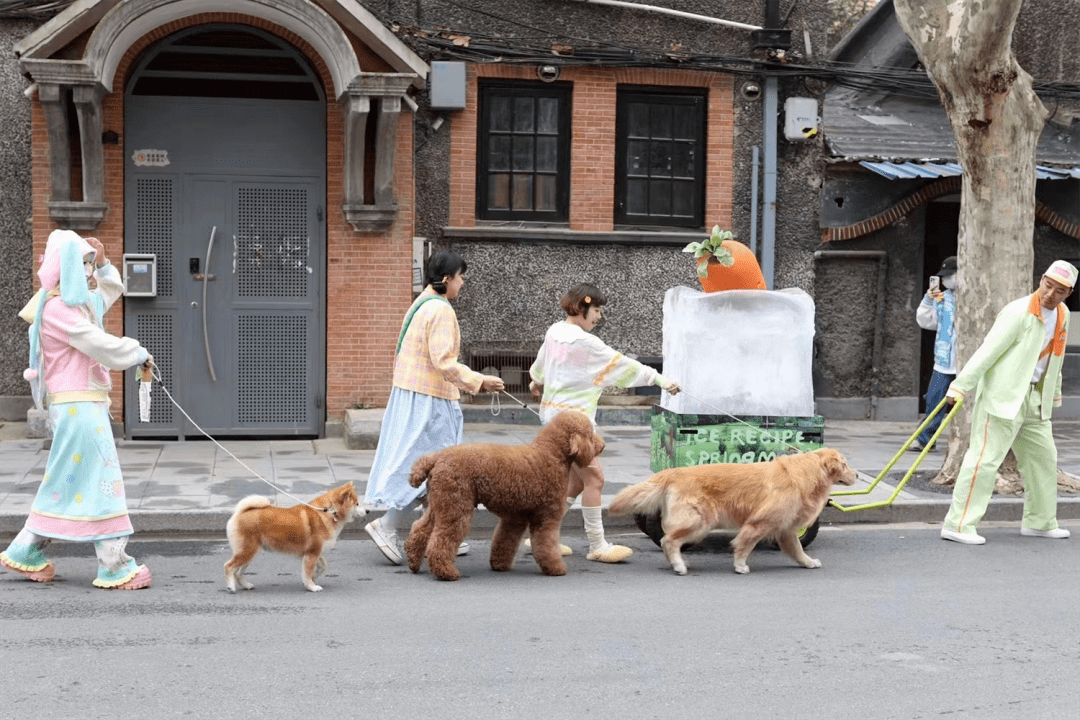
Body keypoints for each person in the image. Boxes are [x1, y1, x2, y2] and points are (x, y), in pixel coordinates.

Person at [0, 230, 154, 589]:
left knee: (65, 482)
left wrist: (102, 263)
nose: (88, 272)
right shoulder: (57, 309)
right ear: (66, 266)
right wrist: (137, 352)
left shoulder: (76, 304)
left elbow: (110, 290)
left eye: (89, 264)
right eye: (83, 264)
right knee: (103, 480)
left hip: (81, 406)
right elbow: (96, 343)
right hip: (78, 406)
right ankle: (114, 564)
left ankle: (25, 550)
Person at [363, 251, 505, 564]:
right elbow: (444, 361)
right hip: (430, 400)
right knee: (435, 466)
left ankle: (442, 532)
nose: (463, 283)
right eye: (461, 277)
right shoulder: (441, 310)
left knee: (430, 465)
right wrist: (480, 381)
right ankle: (388, 524)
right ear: (446, 279)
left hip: (413, 393)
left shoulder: (421, 303)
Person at [529, 283, 681, 563]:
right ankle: (597, 545)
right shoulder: (586, 343)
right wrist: (661, 380)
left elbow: (540, 365)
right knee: (595, 478)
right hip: (573, 424)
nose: (599, 316)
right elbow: (622, 364)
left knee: (575, 482)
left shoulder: (554, 331)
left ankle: (542, 535)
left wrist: (536, 380)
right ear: (581, 307)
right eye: (596, 310)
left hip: (552, 418)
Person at [940, 260, 1075, 545]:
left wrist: (1053, 394)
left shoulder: (1063, 315)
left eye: (1059, 291)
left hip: (1035, 400)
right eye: (1048, 286)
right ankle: (958, 524)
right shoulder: (1017, 312)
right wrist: (960, 387)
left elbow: (1056, 358)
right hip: (1002, 396)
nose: (1051, 294)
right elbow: (986, 352)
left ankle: (1040, 522)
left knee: (1044, 461)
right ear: (1041, 280)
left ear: (1069, 293)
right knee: (984, 461)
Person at [912, 256, 958, 451]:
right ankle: (925, 440)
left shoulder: (977, 297)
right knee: (934, 400)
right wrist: (928, 299)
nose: (946, 280)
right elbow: (926, 321)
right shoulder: (943, 297)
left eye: (950, 275)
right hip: (943, 360)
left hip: (967, 362)